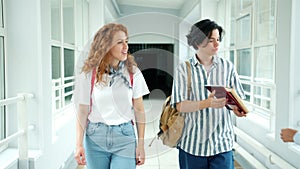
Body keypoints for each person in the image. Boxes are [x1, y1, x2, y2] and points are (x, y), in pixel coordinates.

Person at [171, 19, 247, 169]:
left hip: (222, 144)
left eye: (218, 39)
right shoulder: (183, 69)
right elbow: (179, 105)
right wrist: (207, 103)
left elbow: (236, 97)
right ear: (198, 41)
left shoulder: (227, 67)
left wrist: (236, 109)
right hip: (192, 144)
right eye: (211, 40)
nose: (217, 44)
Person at [73, 23, 149, 169]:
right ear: (105, 46)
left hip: (125, 137)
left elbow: (139, 109)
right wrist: (78, 144)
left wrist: (141, 144)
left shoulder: (133, 72)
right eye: (120, 42)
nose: (125, 46)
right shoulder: (88, 75)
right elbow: (82, 110)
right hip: (95, 138)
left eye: (126, 41)